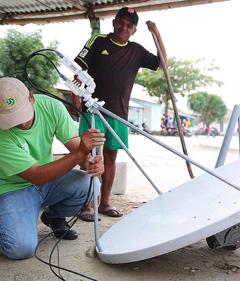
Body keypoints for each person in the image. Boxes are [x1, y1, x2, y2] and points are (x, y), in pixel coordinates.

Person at [73, 7, 167, 220]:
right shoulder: (98, 41)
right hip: (93, 109)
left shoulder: (137, 50)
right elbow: (79, 69)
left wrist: (156, 33)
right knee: (89, 154)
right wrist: (75, 95)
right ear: (114, 22)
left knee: (110, 156)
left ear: (134, 30)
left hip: (119, 114)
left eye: (129, 25)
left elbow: (162, 63)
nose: (124, 27)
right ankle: (85, 203)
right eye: (121, 22)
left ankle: (104, 202)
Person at [0, 77, 105, 260]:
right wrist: (80, 153)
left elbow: (74, 145)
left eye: (23, 113)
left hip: (48, 181)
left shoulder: (51, 107)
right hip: (12, 189)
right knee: (20, 249)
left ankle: (53, 217)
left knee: (90, 183)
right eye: (11, 119)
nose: (21, 123)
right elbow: (36, 175)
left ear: (31, 98)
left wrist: (91, 161)